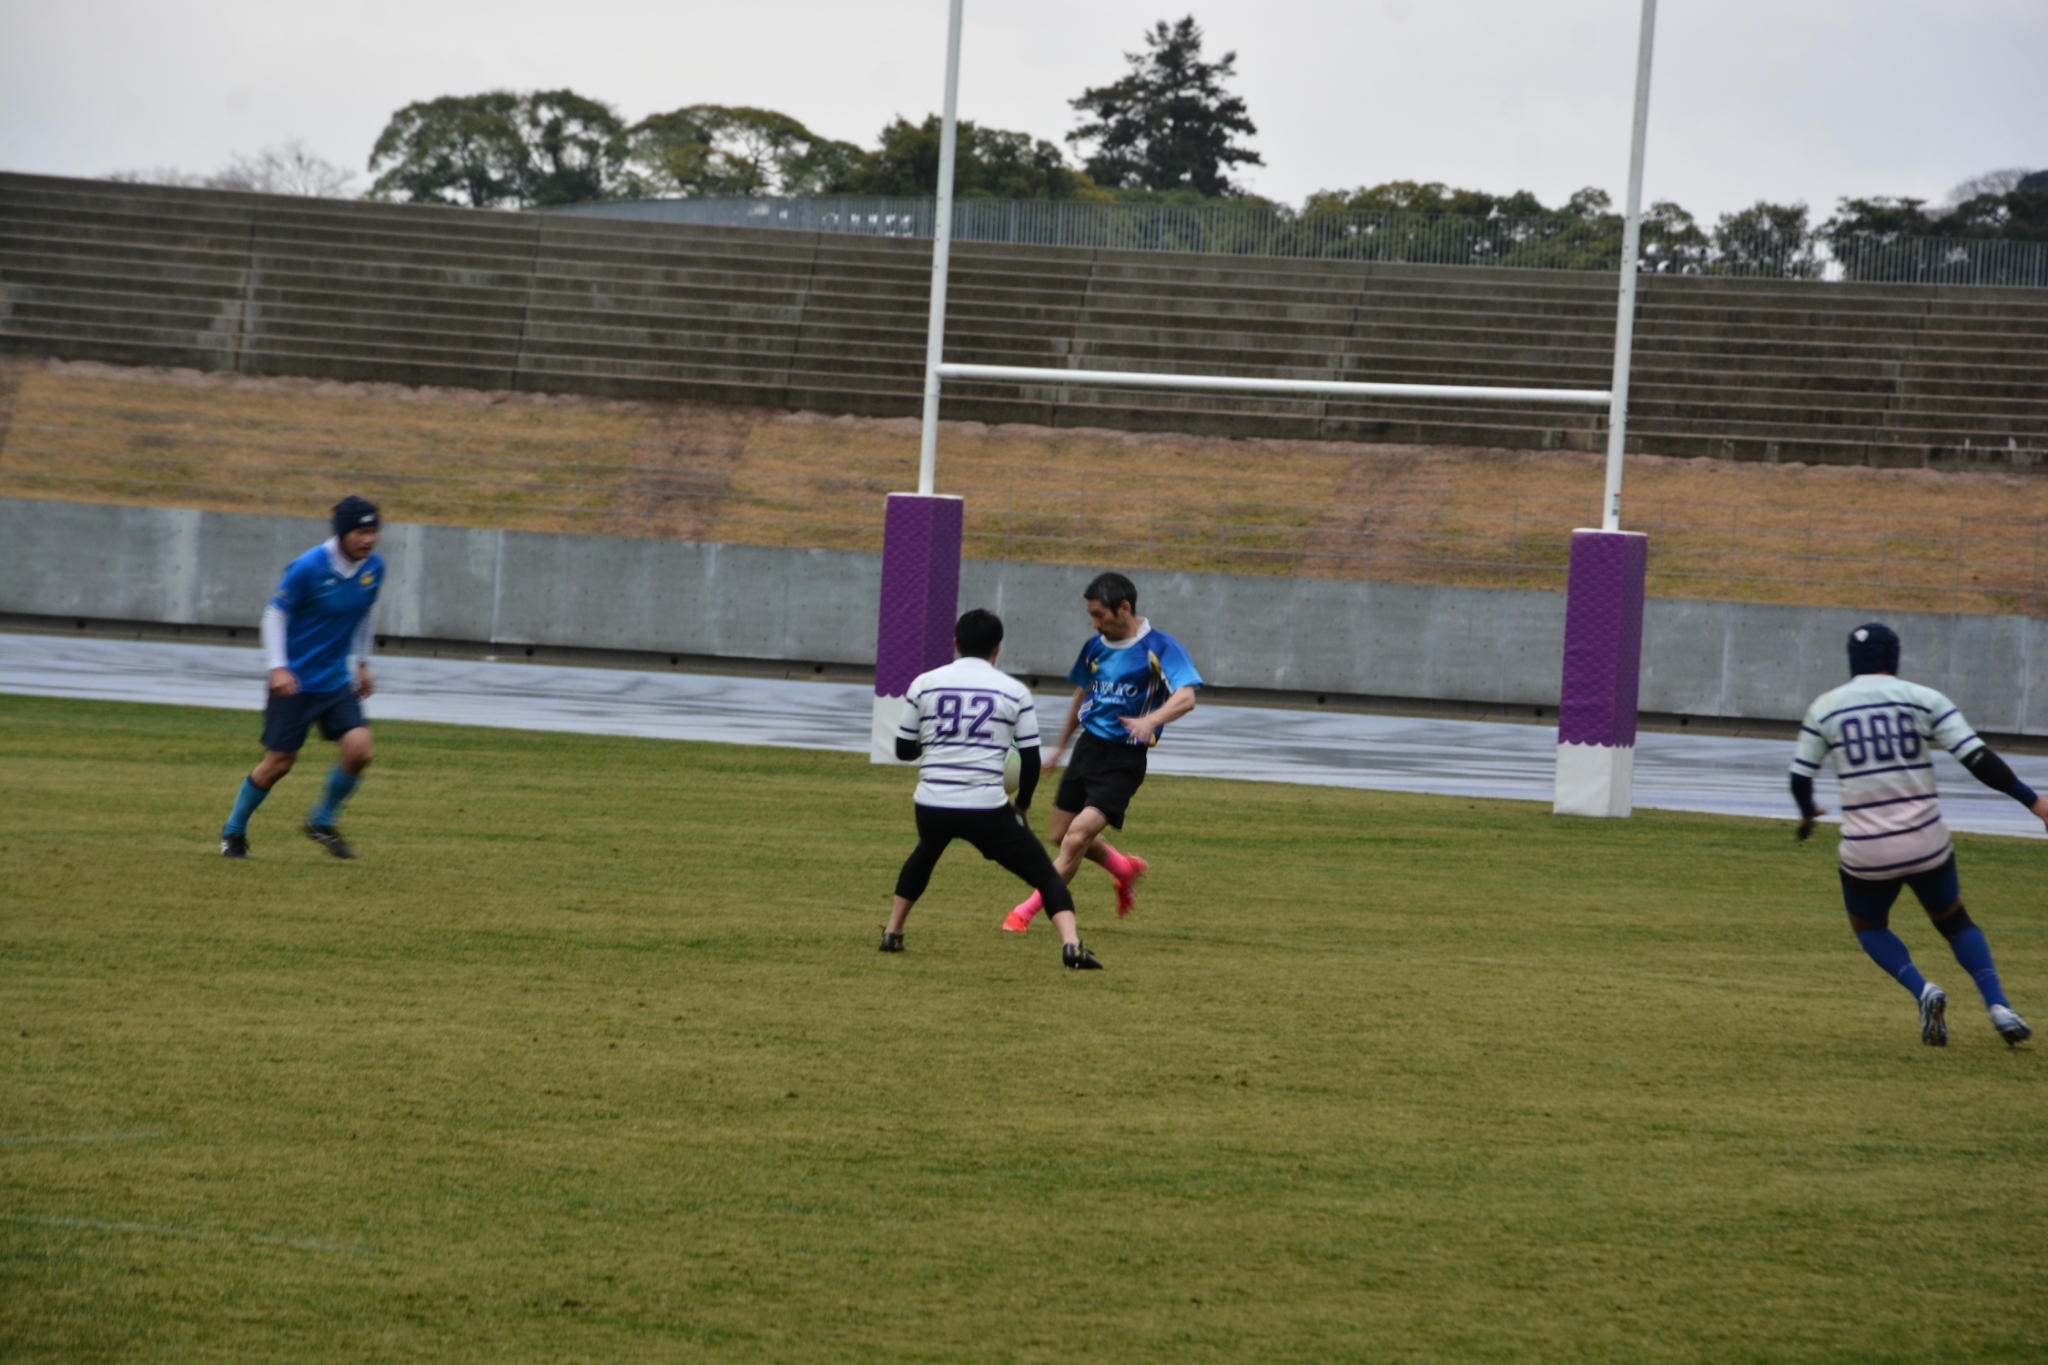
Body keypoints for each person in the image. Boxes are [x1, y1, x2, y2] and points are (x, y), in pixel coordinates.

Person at [1791, 622, 2038, 1047]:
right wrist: (2034, 802)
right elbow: (1977, 759)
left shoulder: (1825, 707)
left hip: (1867, 849)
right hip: (1926, 841)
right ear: (1894, 657)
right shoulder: (1924, 698)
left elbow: (1800, 778)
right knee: (1954, 921)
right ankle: (1999, 1006)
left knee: (1868, 926)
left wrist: (1808, 813)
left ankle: (1923, 990)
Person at [884, 608, 1103, 969]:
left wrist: (939, 742)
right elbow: (1029, 760)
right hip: (984, 806)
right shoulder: (1014, 691)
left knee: (926, 852)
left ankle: (893, 931)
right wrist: (1022, 804)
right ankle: (1072, 945)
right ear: (997, 648)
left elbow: (903, 750)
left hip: (932, 802)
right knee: (1045, 874)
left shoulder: (924, 683)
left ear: (955, 643)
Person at [1002, 572, 1202, 934]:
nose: (1095, 624)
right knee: (1061, 834)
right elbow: (1082, 693)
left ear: (1124, 608)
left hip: (1124, 759)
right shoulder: (1095, 646)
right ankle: (1125, 870)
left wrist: (1150, 721)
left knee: (1077, 837)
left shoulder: (1160, 647)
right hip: (1087, 750)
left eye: (1100, 615)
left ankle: (1024, 912)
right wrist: (1061, 745)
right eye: (1091, 616)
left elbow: (1186, 697)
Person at [219, 495, 385, 860]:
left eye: (373, 531)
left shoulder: (374, 567)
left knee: (360, 750)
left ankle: (322, 821)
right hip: (293, 685)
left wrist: (362, 662)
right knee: (279, 764)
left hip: (335, 682)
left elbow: (367, 611)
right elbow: (274, 614)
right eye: (360, 532)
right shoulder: (308, 566)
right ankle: (233, 830)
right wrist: (278, 667)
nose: (369, 539)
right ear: (342, 532)